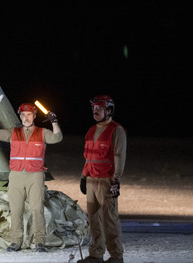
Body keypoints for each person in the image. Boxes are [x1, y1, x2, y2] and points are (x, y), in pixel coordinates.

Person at [0, 102, 62, 252]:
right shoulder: (13, 132)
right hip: (16, 175)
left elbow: (57, 138)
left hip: (35, 176)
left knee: (37, 209)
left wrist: (54, 122)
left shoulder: (42, 132)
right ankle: (16, 242)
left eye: (29, 114)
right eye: (23, 115)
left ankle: (40, 242)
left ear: (34, 116)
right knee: (16, 210)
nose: (25, 117)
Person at [77, 95, 126, 263]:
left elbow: (119, 156)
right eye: (94, 109)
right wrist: (84, 177)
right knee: (94, 219)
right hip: (91, 180)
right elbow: (88, 158)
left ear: (109, 110)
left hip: (106, 180)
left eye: (99, 108)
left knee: (109, 219)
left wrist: (116, 180)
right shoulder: (91, 130)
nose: (95, 111)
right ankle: (96, 254)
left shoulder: (116, 130)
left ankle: (116, 256)